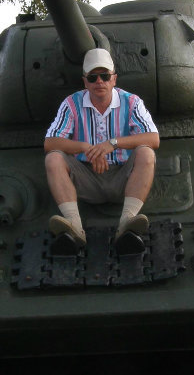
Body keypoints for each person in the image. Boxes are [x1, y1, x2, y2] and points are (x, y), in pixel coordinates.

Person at [44, 48, 159, 248]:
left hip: (124, 178)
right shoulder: (71, 103)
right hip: (86, 178)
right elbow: (50, 143)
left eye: (105, 76)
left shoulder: (131, 102)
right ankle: (74, 225)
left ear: (114, 79)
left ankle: (127, 221)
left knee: (146, 153)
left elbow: (153, 138)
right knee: (53, 158)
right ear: (85, 81)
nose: (99, 81)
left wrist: (111, 144)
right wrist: (85, 148)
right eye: (93, 77)